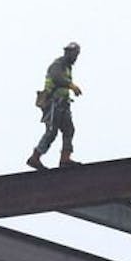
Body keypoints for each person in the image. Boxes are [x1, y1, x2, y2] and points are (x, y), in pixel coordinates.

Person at [27, 42, 83, 170]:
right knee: (51, 132)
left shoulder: (67, 67)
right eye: (74, 54)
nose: (75, 57)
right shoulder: (58, 65)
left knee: (69, 129)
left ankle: (65, 158)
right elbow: (57, 78)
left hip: (63, 104)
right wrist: (72, 86)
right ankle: (35, 157)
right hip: (54, 104)